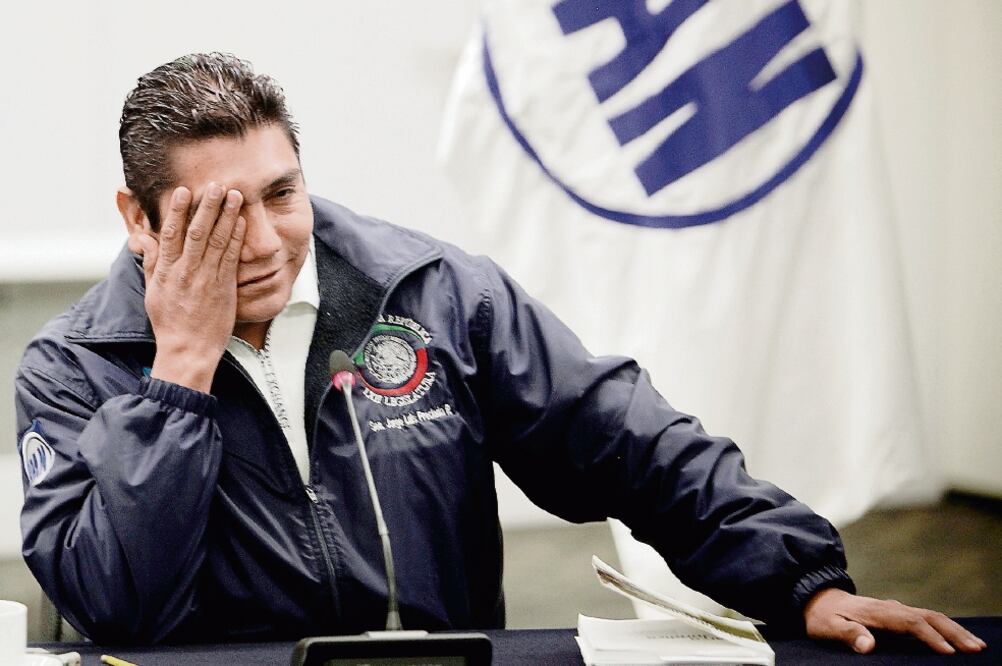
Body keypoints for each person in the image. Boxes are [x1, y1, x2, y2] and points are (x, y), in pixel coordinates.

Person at [14, 53, 984, 654]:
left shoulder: (436, 291)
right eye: (219, 215)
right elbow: (117, 606)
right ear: (137, 219)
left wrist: (800, 580)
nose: (265, 242)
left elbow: (628, 443)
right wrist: (179, 369)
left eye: (280, 192)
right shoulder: (69, 370)